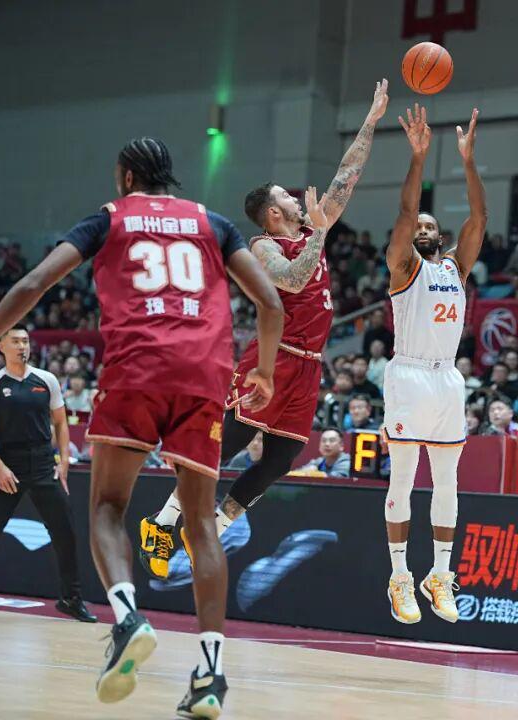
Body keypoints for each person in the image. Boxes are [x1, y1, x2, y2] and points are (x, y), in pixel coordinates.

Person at [0, 137, 284, 716]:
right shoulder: (213, 222)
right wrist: (266, 373)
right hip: (203, 375)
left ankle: (127, 619)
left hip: (137, 370)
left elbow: (32, 285)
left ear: (127, 177)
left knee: (106, 508)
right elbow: (271, 304)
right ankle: (210, 675)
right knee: (200, 523)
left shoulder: (109, 218)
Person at [139, 80, 389, 577]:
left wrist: (371, 120)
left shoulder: (312, 225)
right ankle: (162, 522)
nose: (297, 199)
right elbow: (292, 279)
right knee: (226, 446)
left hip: (310, 367)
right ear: (274, 213)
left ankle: (210, 530)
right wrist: (320, 231)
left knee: (281, 459)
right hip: (274, 358)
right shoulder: (262, 246)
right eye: (286, 197)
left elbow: (347, 176)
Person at [381, 104, 486, 625]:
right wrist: (418, 158)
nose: (422, 227)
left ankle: (439, 574)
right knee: (403, 478)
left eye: (430, 224)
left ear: (439, 236)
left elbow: (479, 219)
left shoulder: (455, 268)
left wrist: (467, 161)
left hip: (447, 377)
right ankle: (400, 575)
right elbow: (405, 213)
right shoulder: (403, 267)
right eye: (417, 225)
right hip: (408, 373)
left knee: (448, 481)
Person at [0, 325, 96, 624]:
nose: (22, 346)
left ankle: (71, 599)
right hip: (8, 463)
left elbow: (61, 423)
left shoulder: (47, 380)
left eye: (25, 341)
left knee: (65, 531)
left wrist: (63, 462)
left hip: (42, 463)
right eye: (15, 341)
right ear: (2, 347)